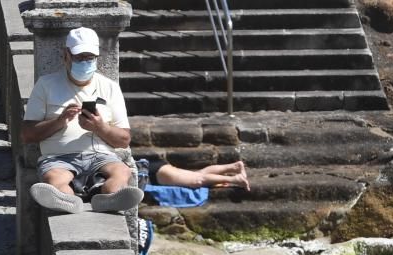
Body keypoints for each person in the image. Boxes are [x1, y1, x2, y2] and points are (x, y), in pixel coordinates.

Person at [21, 27, 144, 215]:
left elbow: (124, 139)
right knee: (55, 177)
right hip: (59, 158)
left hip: (101, 156)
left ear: (97, 58)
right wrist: (60, 121)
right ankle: (68, 199)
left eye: (90, 58)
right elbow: (27, 134)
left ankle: (110, 196)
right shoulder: (46, 85)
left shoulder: (110, 87)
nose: (85, 62)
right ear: (66, 56)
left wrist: (100, 127)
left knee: (121, 172)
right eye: (79, 57)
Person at [141, 158, 250, 191]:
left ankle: (236, 179)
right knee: (198, 174)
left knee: (196, 180)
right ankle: (234, 167)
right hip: (153, 167)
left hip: (153, 172)